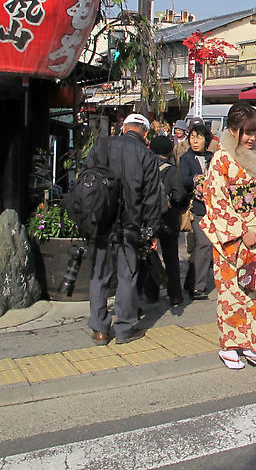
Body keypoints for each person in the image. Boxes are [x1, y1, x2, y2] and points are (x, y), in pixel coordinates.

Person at [200, 103, 256, 370]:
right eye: (246, 133)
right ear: (233, 131)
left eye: (255, 133)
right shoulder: (221, 160)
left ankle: (255, 344)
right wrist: (242, 232)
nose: (252, 138)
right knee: (233, 292)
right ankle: (230, 345)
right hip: (233, 236)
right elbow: (216, 200)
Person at [85, 113, 162, 345]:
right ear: (145, 133)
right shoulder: (146, 155)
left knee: (99, 275)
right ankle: (124, 328)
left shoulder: (100, 146)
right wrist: (151, 230)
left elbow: (85, 183)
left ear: (123, 127)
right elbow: (151, 198)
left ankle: (99, 329)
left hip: (100, 223)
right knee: (127, 276)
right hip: (131, 224)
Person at [149, 135, 188, 307]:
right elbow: (179, 195)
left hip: (148, 216)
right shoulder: (172, 170)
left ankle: (151, 293)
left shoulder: (146, 168)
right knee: (171, 256)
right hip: (168, 217)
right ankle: (175, 295)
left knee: (149, 255)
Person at [179, 121, 215, 300]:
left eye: (199, 137)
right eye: (192, 137)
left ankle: (190, 282)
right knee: (204, 245)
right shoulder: (186, 158)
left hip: (213, 209)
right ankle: (198, 287)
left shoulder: (212, 157)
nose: (195, 141)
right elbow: (182, 179)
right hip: (197, 209)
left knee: (201, 248)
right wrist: (195, 179)